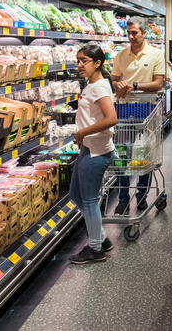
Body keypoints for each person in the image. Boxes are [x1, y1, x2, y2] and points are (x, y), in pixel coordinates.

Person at [111, 16, 166, 215]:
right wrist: (119, 85)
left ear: (144, 33)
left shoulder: (156, 54)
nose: (132, 37)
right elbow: (114, 78)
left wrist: (133, 85)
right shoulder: (120, 55)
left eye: (135, 33)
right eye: (129, 33)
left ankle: (142, 195)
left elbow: (158, 84)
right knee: (122, 154)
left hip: (147, 108)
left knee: (145, 154)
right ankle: (123, 198)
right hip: (124, 108)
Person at [68, 44, 118, 264]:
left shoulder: (98, 87)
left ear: (97, 63)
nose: (79, 65)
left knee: (88, 200)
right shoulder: (94, 84)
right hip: (89, 147)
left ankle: (95, 248)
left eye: (84, 61)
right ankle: (102, 238)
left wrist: (82, 132)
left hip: (96, 151)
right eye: (78, 60)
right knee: (76, 195)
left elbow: (111, 118)